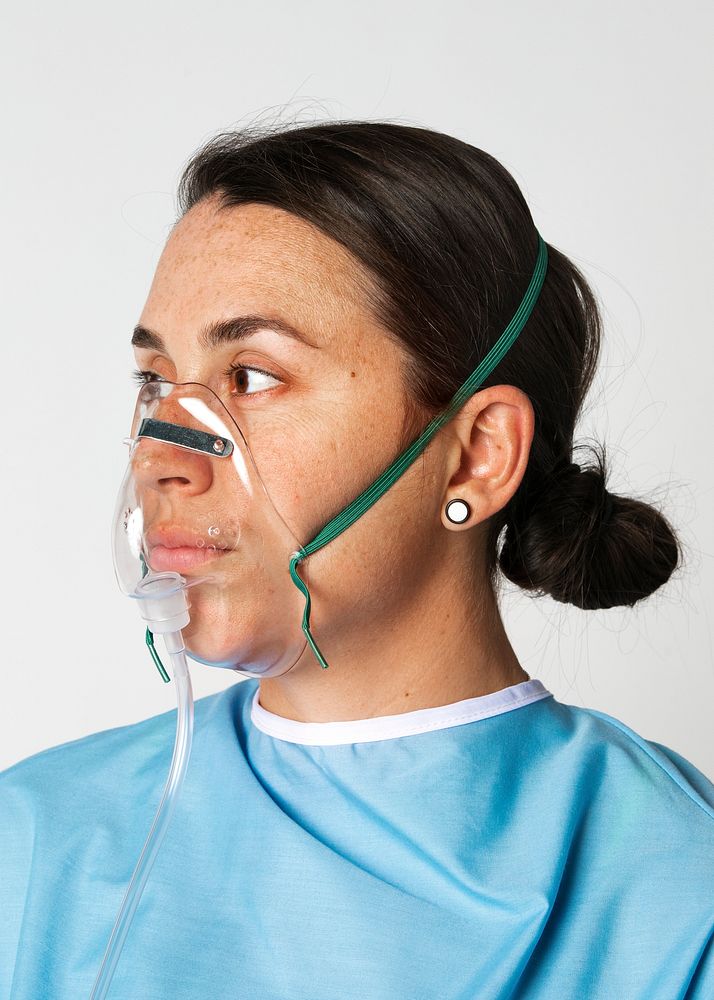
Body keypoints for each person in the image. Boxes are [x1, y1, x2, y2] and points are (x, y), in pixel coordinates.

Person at [1, 120, 712, 999]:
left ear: (476, 453)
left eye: (251, 377)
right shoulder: (35, 842)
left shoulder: (675, 894)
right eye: (156, 381)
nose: (160, 454)